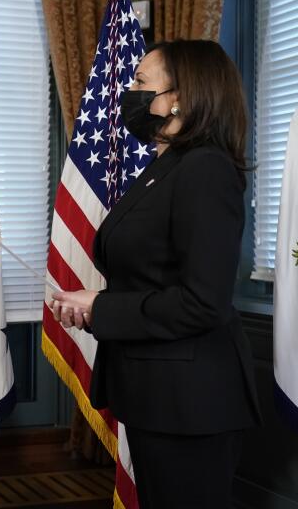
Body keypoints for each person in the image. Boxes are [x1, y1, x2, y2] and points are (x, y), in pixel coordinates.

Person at [49, 39, 262, 509]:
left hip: (191, 402)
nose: (130, 91)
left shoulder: (205, 170)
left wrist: (101, 305)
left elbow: (202, 302)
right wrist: (96, 309)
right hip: (156, 394)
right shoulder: (163, 168)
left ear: (181, 96)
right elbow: (148, 278)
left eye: (142, 82)